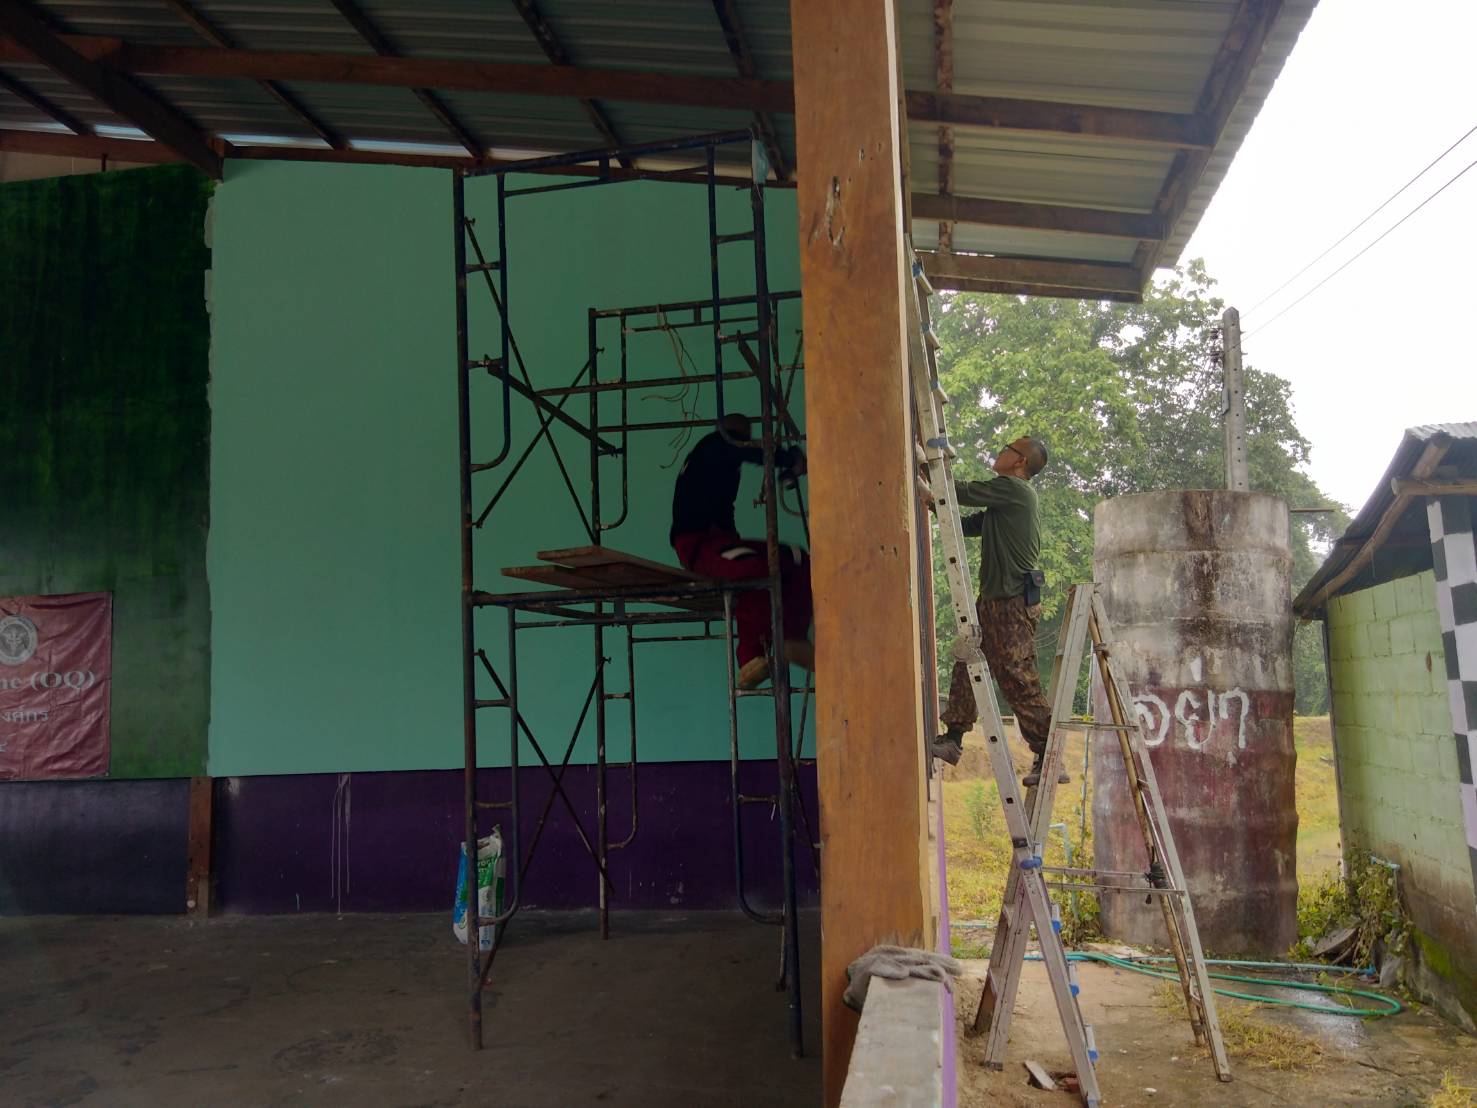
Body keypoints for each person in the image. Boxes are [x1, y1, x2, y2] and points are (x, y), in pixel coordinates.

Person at [931, 435, 1058, 785]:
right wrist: (932, 501)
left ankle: (1050, 757)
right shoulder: (1004, 502)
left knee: (1017, 678)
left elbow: (962, 492)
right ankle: (953, 738)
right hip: (993, 602)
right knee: (966, 662)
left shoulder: (1015, 490)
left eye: (1007, 448)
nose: (1000, 452)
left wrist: (931, 474)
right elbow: (968, 525)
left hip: (1011, 603)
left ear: (1020, 461)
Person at [670, 414, 814, 690]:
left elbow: (723, 508)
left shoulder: (721, 462)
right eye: (744, 438)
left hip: (720, 542)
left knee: (795, 559)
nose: (747, 442)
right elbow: (748, 451)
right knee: (753, 570)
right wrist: (789, 459)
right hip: (698, 545)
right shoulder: (713, 446)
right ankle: (751, 656)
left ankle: (791, 638)